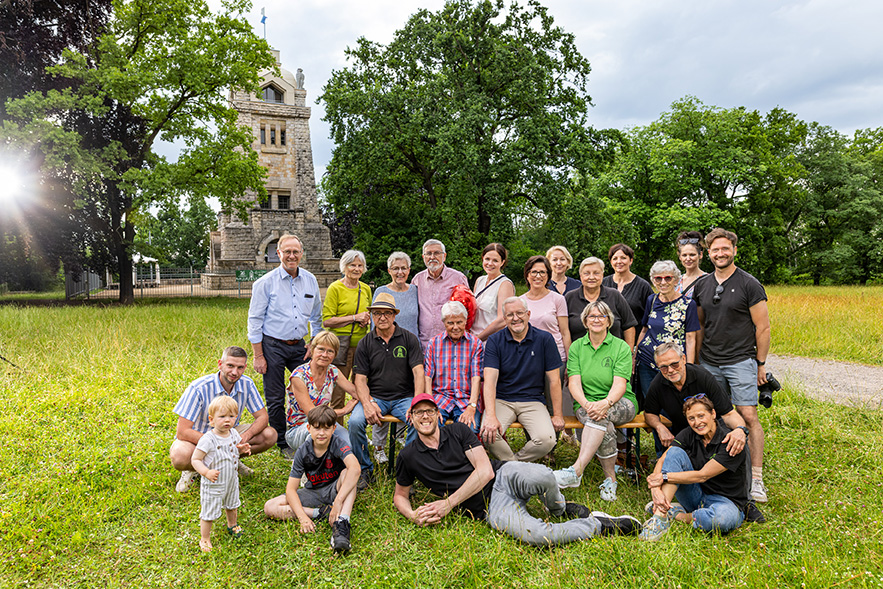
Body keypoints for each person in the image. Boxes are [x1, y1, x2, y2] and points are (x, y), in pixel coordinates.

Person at [395, 394, 641, 546]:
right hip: (490, 507)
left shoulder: (458, 431)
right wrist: (413, 515)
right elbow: (400, 495)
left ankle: (559, 508)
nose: (425, 416)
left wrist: (448, 504)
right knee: (537, 536)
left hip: (504, 474)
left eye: (429, 411)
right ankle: (598, 524)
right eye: (419, 412)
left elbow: (485, 471)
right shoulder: (409, 456)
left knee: (544, 475)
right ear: (411, 417)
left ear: (438, 415)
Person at [692, 228, 771, 503]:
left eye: (725, 249)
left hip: (740, 360)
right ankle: (721, 469)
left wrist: (760, 365)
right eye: (715, 250)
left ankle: (757, 478)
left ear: (734, 250)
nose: (720, 253)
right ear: (709, 253)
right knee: (714, 416)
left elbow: (762, 327)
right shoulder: (703, 285)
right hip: (710, 362)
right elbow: (700, 325)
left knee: (748, 416)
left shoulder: (750, 284)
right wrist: (697, 361)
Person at [552, 301, 637, 503]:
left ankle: (576, 470)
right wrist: (587, 404)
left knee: (603, 416)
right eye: (592, 316)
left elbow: (620, 384)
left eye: (601, 316)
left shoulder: (620, 347)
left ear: (609, 321)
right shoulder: (577, 347)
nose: (597, 320)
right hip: (586, 404)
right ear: (585, 321)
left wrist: (605, 403)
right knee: (604, 425)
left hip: (621, 402)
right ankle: (610, 480)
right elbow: (574, 383)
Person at [248, 234, 322, 456]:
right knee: (275, 395)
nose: (292, 256)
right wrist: (258, 355)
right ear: (278, 253)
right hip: (272, 345)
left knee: (311, 388)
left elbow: (317, 317)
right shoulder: (264, 283)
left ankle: (309, 430)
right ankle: (282, 442)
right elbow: (255, 320)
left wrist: (314, 342)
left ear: (301, 254)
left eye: (296, 252)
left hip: (300, 346)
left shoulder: (311, 280)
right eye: (287, 251)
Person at [639, 395, 749, 541]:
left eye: (701, 416)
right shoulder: (688, 434)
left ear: (713, 414)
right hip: (696, 494)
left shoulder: (731, 441)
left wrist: (664, 477)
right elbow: (663, 460)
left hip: (726, 502)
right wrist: (655, 489)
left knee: (721, 520)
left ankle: (678, 515)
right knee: (674, 452)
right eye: (691, 418)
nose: (697, 422)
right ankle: (660, 517)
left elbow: (703, 475)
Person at [170, 346, 276, 493]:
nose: (234, 372)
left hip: (228, 434)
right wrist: (218, 443)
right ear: (220, 364)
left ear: (245, 367)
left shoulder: (247, 384)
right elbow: (182, 431)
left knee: (269, 435)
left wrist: (244, 437)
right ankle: (192, 469)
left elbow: (263, 417)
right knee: (180, 455)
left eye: (240, 367)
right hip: (197, 440)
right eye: (230, 366)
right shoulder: (199, 388)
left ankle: (231, 462)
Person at [349, 292, 425, 490]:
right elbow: (360, 379)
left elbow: (418, 372)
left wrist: (417, 402)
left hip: (404, 397)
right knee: (355, 422)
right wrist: (367, 404)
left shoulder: (409, 339)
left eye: (386, 313)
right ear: (372, 316)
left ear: (394, 315)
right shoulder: (365, 343)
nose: (382, 317)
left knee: (418, 421)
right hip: (376, 398)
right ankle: (365, 469)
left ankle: (407, 469)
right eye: (377, 313)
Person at [264, 405, 360, 553]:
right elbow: (290, 490)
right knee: (270, 507)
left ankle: (342, 523)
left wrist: (339, 500)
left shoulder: (338, 443)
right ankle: (320, 513)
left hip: (336, 488)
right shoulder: (303, 451)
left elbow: (355, 468)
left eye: (327, 428)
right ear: (308, 428)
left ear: (334, 429)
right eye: (317, 428)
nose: (322, 433)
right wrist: (303, 517)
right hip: (313, 492)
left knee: (349, 473)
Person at [480, 297, 564, 462]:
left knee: (547, 440)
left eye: (519, 313)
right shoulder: (495, 341)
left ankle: (512, 466)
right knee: (487, 434)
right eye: (510, 315)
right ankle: (517, 469)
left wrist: (558, 414)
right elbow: (489, 380)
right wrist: (490, 415)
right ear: (504, 319)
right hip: (502, 399)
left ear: (528, 314)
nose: (515, 318)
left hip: (533, 400)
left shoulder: (544, 339)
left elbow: (554, 380)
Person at [643, 342, 748, 457]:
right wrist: (660, 427)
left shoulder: (703, 376)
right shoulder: (657, 384)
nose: (670, 370)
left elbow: (728, 413)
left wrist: (740, 429)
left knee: (737, 440)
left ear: (683, 359)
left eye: (675, 364)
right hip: (684, 436)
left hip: (712, 432)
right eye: (664, 367)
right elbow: (649, 413)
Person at [370, 251, 420, 463]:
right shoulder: (381, 291)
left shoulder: (416, 291)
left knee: (405, 392)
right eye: (395, 268)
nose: (400, 272)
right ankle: (379, 445)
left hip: (409, 348)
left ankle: (400, 435)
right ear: (389, 270)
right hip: (384, 347)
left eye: (404, 268)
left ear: (409, 270)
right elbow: (375, 321)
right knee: (381, 392)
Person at [520, 255, 576, 445]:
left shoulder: (557, 299)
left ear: (548, 275)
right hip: (527, 360)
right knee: (531, 404)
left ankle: (550, 447)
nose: (538, 276)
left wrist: (569, 362)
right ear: (527, 275)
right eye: (534, 272)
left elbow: (565, 332)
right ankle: (533, 443)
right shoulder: (520, 301)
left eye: (542, 272)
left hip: (556, 359)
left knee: (553, 405)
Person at [634, 260, 700, 402]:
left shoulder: (688, 304)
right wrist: (634, 356)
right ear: (653, 280)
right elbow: (644, 329)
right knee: (652, 400)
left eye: (667, 278)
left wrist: (688, 366)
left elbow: (690, 338)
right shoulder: (651, 300)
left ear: (676, 280)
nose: (663, 282)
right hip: (647, 361)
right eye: (658, 278)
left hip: (673, 364)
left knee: (673, 401)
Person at [190, 396, 251, 552]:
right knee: (209, 511)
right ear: (211, 419)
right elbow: (195, 459)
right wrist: (206, 472)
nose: (227, 420)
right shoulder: (208, 439)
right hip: (213, 482)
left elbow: (233, 448)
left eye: (231, 416)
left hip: (231, 479)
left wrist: (241, 449)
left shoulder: (233, 434)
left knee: (232, 504)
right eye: (222, 416)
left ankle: (232, 525)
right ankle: (205, 538)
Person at [284, 331, 358, 454]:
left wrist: (369, 401)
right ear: (312, 350)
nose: (325, 355)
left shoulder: (332, 371)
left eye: (330, 351)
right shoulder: (299, 376)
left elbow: (354, 391)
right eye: (321, 349)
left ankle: (338, 470)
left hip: (326, 425)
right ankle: (305, 468)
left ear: (335, 355)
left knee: (348, 444)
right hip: (300, 428)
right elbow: (314, 414)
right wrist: (344, 411)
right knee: (317, 438)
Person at [321, 249, 372, 420]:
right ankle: (337, 432)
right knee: (338, 393)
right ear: (345, 266)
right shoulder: (335, 288)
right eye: (352, 265)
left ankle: (358, 428)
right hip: (340, 346)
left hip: (362, 346)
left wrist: (366, 320)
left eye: (360, 265)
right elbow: (327, 321)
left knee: (361, 390)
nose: (356, 269)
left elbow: (368, 314)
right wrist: (354, 318)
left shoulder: (365, 289)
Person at [424, 301, 484, 432]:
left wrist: (472, 406)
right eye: (450, 323)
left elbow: (476, 378)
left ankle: (457, 452)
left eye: (459, 322)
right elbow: (427, 377)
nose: (455, 327)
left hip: (465, 399)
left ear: (465, 321)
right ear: (444, 323)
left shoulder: (476, 344)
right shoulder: (434, 343)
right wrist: (430, 406)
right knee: (431, 426)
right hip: (440, 398)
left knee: (469, 430)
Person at [564, 257, 637, 347]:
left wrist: (628, 354)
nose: (591, 277)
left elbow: (629, 326)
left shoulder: (614, 295)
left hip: (614, 357)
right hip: (580, 357)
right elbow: (563, 331)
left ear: (602, 275)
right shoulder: (570, 298)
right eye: (586, 273)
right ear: (581, 276)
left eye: (596, 273)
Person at [411, 239, 469, 349]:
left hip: (452, 343)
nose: (432, 257)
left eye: (437, 253)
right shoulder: (417, 280)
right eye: (428, 253)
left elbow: (469, 310)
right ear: (423, 257)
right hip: (425, 344)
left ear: (444, 256)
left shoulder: (458, 278)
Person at [470, 243, 515, 340]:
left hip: (491, 342)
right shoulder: (480, 281)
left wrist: (478, 339)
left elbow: (502, 320)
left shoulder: (505, 284)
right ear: (482, 258)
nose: (490, 263)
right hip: (473, 339)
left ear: (502, 262)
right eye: (487, 259)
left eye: (495, 260)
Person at [603, 243, 653, 327]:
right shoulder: (603, 284)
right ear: (611, 262)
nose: (619, 261)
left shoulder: (643, 286)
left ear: (631, 260)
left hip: (635, 337)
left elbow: (652, 315)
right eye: (615, 258)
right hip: (607, 337)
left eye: (623, 258)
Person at [675, 231, 707, 300]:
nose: (688, 259)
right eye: (684, 255)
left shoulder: (708, 280)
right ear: (680, 257)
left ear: (700, 255)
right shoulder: (676, 281)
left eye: (692, 255)